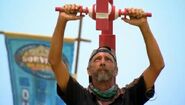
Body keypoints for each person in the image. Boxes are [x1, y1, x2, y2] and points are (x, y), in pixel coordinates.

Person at [49, 4, 165, 105]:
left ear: (116, 70)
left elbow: (157, 66)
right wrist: (62, 20)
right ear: (88, 70)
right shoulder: (78, 96)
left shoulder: (130, 98)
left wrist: (144, 25)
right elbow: (54, 62)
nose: (103, 62)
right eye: (97, 59)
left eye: (108, 59)